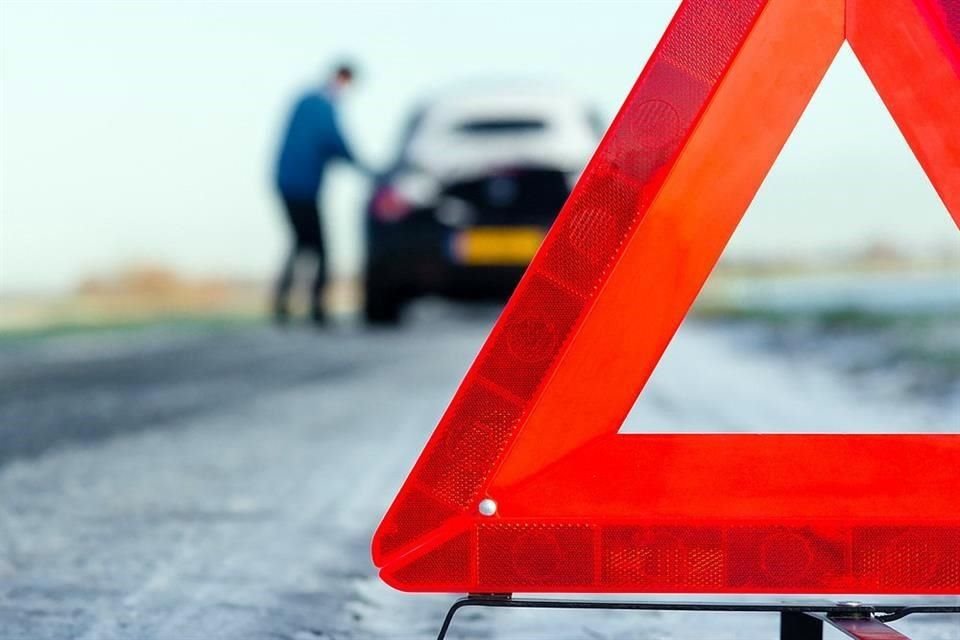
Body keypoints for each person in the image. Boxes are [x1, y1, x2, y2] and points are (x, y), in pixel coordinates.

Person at [273, 62, 365, 325]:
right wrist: (365, 168)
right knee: (319, 248)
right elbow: (334, 141)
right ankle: (317, 309)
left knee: (301, 242)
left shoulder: (307, 100)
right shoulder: (322, 105)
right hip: (302, 185)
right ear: (343, 78)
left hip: (289, 181)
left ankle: (282, 305)